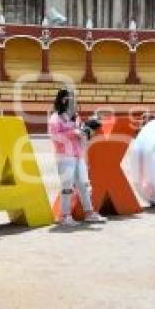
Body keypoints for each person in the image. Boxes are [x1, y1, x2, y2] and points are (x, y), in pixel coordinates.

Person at [48, 88, 106, 227]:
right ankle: (65, 216)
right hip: (64, 156)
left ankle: (89, 213)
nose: (73, 101)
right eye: (70, 98)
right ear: (62, 100)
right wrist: (74, 132)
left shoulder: (75, 116)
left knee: (84, 184)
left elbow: (82, 135)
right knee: (67, 186)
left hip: (78, 155)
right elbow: (55, 136)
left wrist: (87, 130)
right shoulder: (55, 117)